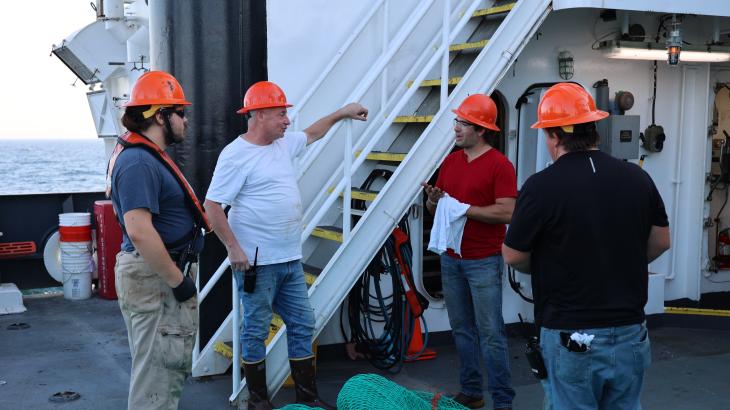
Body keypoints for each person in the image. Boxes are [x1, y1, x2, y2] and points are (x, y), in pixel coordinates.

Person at [502, 82, 671, 410]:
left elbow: (513, 255)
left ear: (553, 136)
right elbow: (661, 240)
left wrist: (546, 265)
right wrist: (624, 260)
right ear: (593, 129)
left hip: (570, 333)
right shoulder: (637, 178)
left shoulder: (541, 187)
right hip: (630, 330)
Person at [204, 80, 368, 410]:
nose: (287, 121)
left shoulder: (283, 144)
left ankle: (307, 399)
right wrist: (234, 250)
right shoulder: (236, 155)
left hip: (290, 259)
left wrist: (342, 113)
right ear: (260, 115)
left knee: (302, 323)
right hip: (255, 263)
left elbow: (313, 132)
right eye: (281, 114)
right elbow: (212, 206)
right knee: (255, 330)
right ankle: (259, 402)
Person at [108, 71, 211, 410]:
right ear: (160, 116)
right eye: (180, 113)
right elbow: (138, 229)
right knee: (156, 377)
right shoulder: (138, 162)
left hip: (158, 274)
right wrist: (177, 280)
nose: (186, 120)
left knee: (163, 370)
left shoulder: (144, 156)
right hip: (157, 279)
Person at [422, 94, 517, 410]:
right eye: (457, 121)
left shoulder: (500, 165)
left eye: (463, 123)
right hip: (451, 258)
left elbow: (506, 213)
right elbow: (437, 208)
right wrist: (435, 201)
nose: (456, 128)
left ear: (481, 129)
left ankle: (503, 401)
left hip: (483, 262)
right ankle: (472, 392)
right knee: (462, 329)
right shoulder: (450, 162)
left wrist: (463, 209)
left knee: (491, 333)